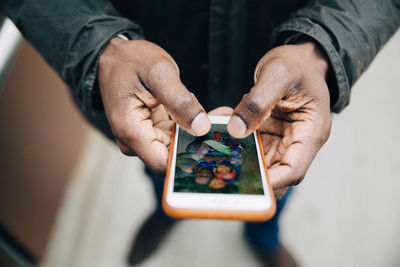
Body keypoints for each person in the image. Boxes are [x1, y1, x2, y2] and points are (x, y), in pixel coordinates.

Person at [1, 0, 399, 266]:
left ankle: (263, 236)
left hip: (282, 93)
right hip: (152, 88)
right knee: (162, 169)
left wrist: (321, 47)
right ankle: (166, 215)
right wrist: (104, 48)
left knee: (275, 179)